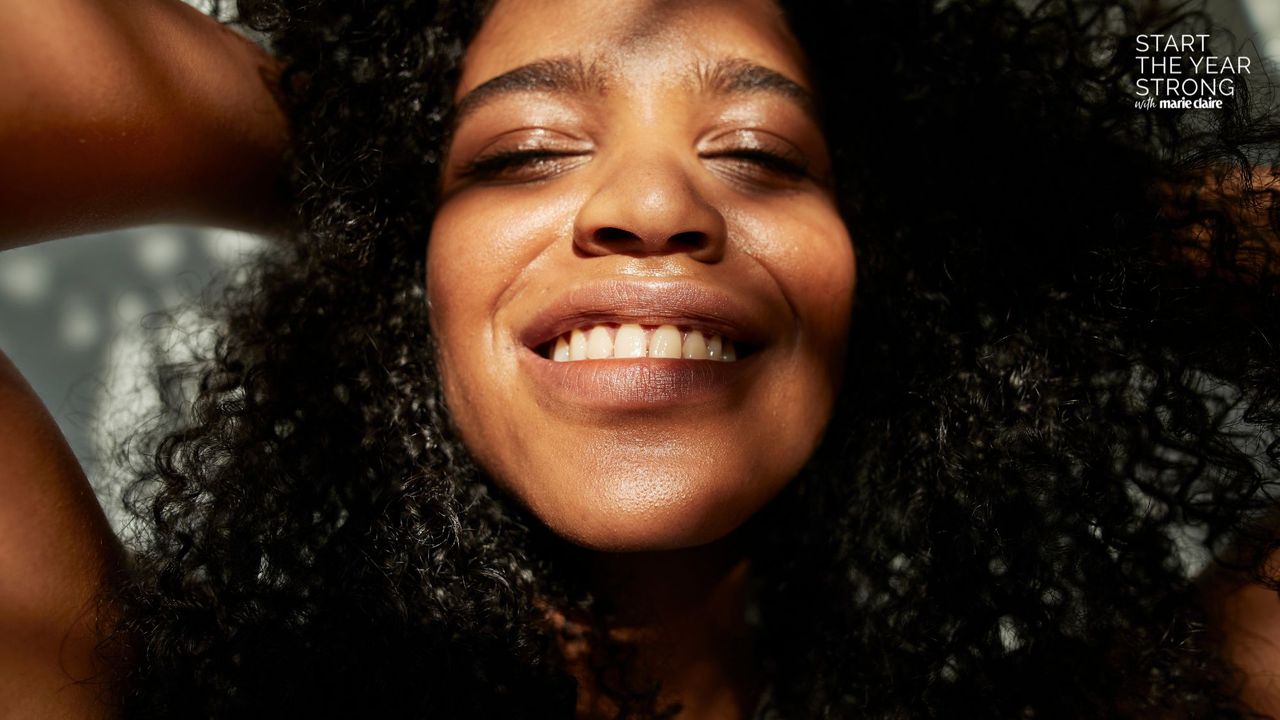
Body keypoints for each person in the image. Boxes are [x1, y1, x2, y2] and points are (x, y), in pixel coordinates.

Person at [2, 0, 1279, 717]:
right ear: (401, 293)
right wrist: (363, 175)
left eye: (763, 157)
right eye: (520, 155)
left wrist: (1019, 245)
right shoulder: (112, 689)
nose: (651, 202)